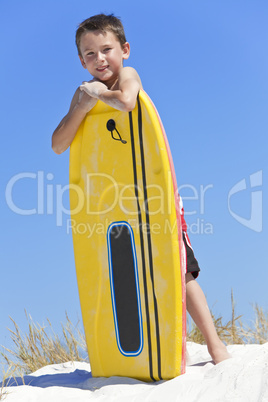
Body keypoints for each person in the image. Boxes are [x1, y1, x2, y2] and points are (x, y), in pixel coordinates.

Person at [52, 13, 230, 364]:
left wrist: (99, 98)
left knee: (180, 268)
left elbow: (128, 101)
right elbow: (59, 144)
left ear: (125, 49)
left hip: (154, 195)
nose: (99, 59)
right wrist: (82, 104)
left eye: (106, 50)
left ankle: (214, 346)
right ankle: (137, 351)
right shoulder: (82, 93)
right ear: (80, 60)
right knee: (120, 267)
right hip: (112, 199)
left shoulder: (128, 76)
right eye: (89, 54)